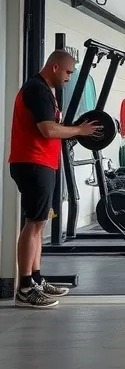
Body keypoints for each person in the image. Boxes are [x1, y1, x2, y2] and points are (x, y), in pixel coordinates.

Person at [9, 50, 102, 309]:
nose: (69, 77)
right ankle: (25, 289)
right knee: (33, 224)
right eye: (68, 72)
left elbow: (52, 128)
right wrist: (80, 130)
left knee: (38, 225)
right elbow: (48, 130)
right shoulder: (37, 89)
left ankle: (36, 279)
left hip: (41, 164)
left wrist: (75, 129)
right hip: (32, 164)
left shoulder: (44, 90)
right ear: (54, 67)